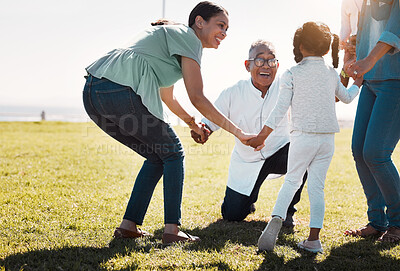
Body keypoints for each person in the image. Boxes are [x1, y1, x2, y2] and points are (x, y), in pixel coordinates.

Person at [82, 1, 254, 245]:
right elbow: (198, 97)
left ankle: (128, 226)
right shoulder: (188, 38)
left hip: (94, 93)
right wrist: (238, 132)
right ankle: (172, 230)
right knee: (173, 152)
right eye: (220, 25)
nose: (224, 33)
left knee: (157, 156)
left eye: (227, 29)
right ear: (199, 22)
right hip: (116, 89)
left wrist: (193, 124)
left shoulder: (174, 44)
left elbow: (168, 96)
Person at [249, 22, 363, 253]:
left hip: (302, 137)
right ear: (325, 47)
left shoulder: (292, 73)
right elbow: (347, 98)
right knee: (317, 189)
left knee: (292, 182)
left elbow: (280, 109)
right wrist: (358, 81)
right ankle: (313, 240)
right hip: (326, 140)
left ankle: (276, 219)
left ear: (300, 46)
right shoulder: (331, 74)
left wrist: (262, 135)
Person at [190, 40, 307, 227]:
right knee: (233, 215)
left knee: (304, 153)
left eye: (271, 61)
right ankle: (247, 199)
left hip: (280, 151)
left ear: (277, 65)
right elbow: (209, 122)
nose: (266, 66)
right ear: (248, 65)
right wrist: (201, 131)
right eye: (260, 60)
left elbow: (319, 97)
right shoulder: (232, 93)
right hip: (246, 161)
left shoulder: (287, 86)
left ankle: (287, 212)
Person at [345, 0, 400, 243]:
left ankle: (398, 223)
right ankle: (377, 221)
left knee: (376, 153)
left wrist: (368, 61)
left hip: (395, 81)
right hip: (371, 83)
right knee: (359, 150)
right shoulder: (365, 4)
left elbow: (394, 32)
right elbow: (365, 38)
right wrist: (352, 56)